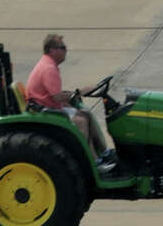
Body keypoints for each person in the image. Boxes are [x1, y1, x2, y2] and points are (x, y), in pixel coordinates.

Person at [25, 33, 113, 164]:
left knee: (86, 113)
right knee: (81, 121)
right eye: (63, 47)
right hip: (45, 110)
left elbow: (54, 95)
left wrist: (73, 97)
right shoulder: (48, 68)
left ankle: (102, 152)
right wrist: (79, 93)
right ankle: (92, 161)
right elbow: (57, 96)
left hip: (46, 105)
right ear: (52, 50)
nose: (66, 51)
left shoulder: (48, 64)